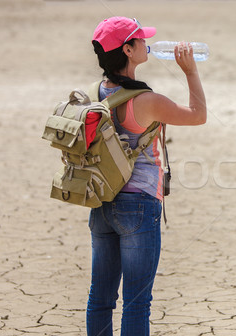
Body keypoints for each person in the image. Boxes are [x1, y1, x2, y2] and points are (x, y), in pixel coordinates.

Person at [87, 16, 206, 336]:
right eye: (140, 40)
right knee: (137, 302)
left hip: (101, 201)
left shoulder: (94, 93)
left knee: (100, 298)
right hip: (138, 204)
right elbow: (198, 115)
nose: (146, 44)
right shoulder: (146, 100)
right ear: (127, 49)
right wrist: (191, 72)